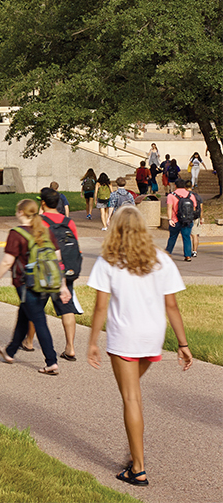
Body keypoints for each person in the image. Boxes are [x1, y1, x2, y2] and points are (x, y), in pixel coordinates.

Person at [86, 205, 194, 488]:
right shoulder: (161, 260)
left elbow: (100, 307)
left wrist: (92, 342)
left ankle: (138, 468)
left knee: (131, 398)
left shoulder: (108, 260)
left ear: (116, 228)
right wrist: (182, 344)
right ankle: (135, 453)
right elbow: (172, 306)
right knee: (132, 392)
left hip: (125, 337)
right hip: (152, 337)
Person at [0, 198, 68, 374]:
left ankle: (51, 361)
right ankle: (10, 352)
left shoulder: (16, 233)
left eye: (17, 211)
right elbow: (57, 259)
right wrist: (62, 285)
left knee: (39, 320)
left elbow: (8, 261)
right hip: (46, 283)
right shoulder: (45, 230)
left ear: (21, 213)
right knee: (24, 314)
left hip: (26, 284)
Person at [32, 188, 84, 360]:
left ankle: (28, 341)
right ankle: (70, 348)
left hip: (44, 271)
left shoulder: (39, 221)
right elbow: (76, 247)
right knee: (67, 308)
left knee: (35, 307)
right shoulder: (68, 222)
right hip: (65, 270)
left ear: (43, 203)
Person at [164, 179, 200, 262]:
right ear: (184, 186)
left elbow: (169, 208)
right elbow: (194, 208)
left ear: (175, 186)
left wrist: (170, 219)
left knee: (172, 237)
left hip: (175, 220)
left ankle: (168, 254)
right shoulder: (190, 195)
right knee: (186, 237)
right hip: (187, 220)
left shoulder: (171, 195)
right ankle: (188, 256)